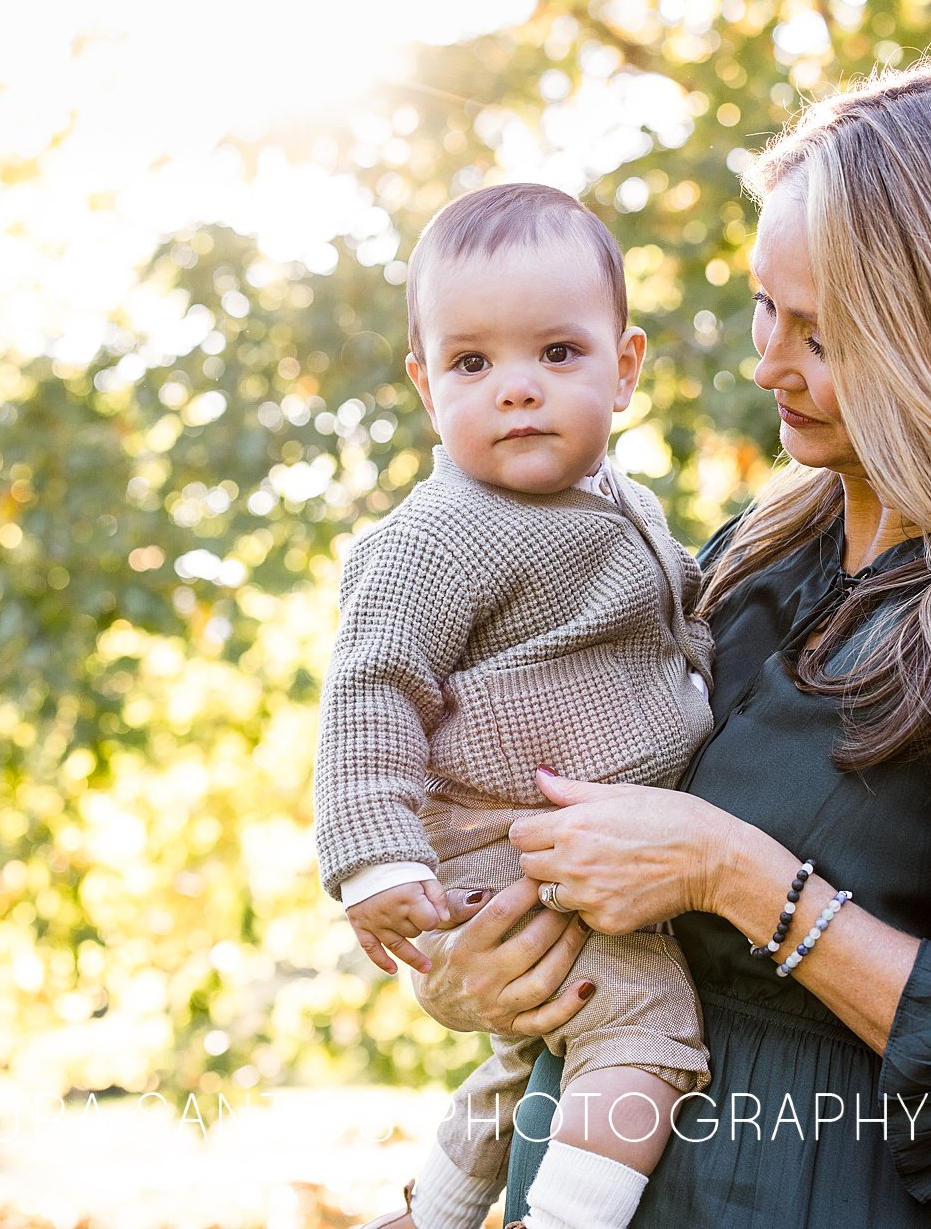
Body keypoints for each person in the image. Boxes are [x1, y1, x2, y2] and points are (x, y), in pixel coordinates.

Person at [404, 58, 931, 1228]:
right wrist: (478, 974)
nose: (767, 363)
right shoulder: (743, 566)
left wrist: (738, 875)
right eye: (767, 304)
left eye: (819, 332)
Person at [314, 182, 720, 1229]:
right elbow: (369, 689)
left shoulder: (621, 502)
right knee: (644, 1029)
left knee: (533, 1040)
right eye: (470, 363)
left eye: (557, 353)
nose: (515, 391)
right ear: (423, 384)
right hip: (510, 842)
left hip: (566, 848)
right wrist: (378, 860)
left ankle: (432, 1213)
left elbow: (683, 605)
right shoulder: (434, 536)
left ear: (623, 369)